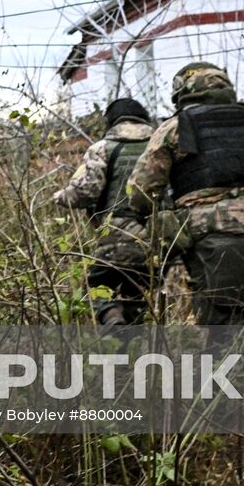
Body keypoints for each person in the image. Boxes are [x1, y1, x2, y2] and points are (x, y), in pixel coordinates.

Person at [125, 61, 244, 455]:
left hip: (215, 241)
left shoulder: (179, 126)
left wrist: (166, 219)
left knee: (227, 336)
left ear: (182, 92)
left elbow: (140, 191)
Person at [53, 97, 159, 330]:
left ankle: (111, 315)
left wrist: (60, 196)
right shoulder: (160, 146)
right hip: (156, 236)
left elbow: (85, 193)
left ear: (111, 121)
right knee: (140, 292)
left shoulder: (102, 148)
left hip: (115, 234)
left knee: (97, 286)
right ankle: (131, 344)